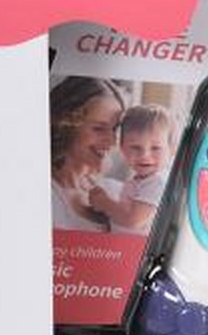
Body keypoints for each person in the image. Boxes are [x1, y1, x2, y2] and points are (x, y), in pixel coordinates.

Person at [50, 77, 125, 231]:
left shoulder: (115, 191)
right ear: (66, 127)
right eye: (98, 129)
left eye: (115, 129)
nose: (112, 141)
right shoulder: (45, 194)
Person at [89, 104, 175, 235]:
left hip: (137, 246)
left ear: (171, 150)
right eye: (135, 147)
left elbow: (132, 219)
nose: (144, 155)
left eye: (155, 148)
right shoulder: (139, 181)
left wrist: (105, 203)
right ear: (122, 149)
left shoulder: (157, 182)